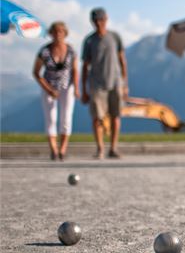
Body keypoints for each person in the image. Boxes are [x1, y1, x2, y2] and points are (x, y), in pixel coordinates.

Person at [81, 8, 128, 159]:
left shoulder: (115, 37)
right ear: (92, 22)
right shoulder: (89, 41)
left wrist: (124, 83)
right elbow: (85, 66)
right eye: (96, 21)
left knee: (116, 116)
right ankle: (100, 148)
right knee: (97, 117)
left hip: (115, 82)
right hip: (96, 84)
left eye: (101, 20)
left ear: (106, 19)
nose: (99, 23)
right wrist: (84, 89)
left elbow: (122, 60)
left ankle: (113, 148)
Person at [32, 22, 79, 161]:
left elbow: (75, 70)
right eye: (55, 31)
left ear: (65, 33)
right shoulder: (44, 51)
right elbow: (36, 72)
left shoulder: (71, 51)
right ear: (51, 34)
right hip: (49, 87)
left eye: (60, 31)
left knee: (66, 119)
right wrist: (48, 89)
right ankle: (53, 149)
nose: (58, 34)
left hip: (67, 87)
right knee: (51, 119)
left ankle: (62, 150)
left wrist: (76, 88)